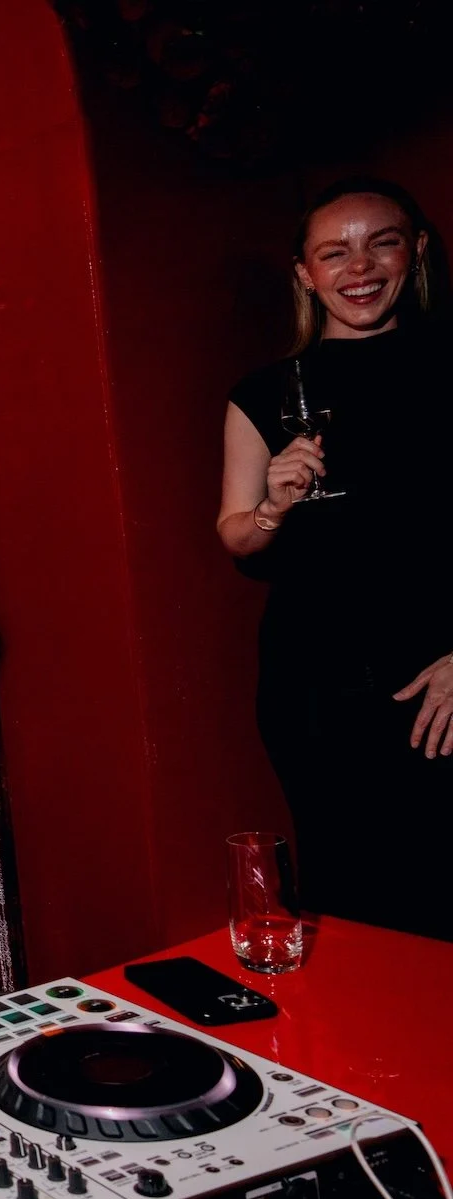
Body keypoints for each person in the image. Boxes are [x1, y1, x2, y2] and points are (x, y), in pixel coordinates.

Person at [217, 176, 452, 940]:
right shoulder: (263, 392)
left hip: (436, 677)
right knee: (353, 895)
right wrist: (274, 506)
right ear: (304, 273)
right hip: (315, 684)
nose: (360, 268)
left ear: (414, 252)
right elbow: (236, 535)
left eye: (382, 242)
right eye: (334, 252)